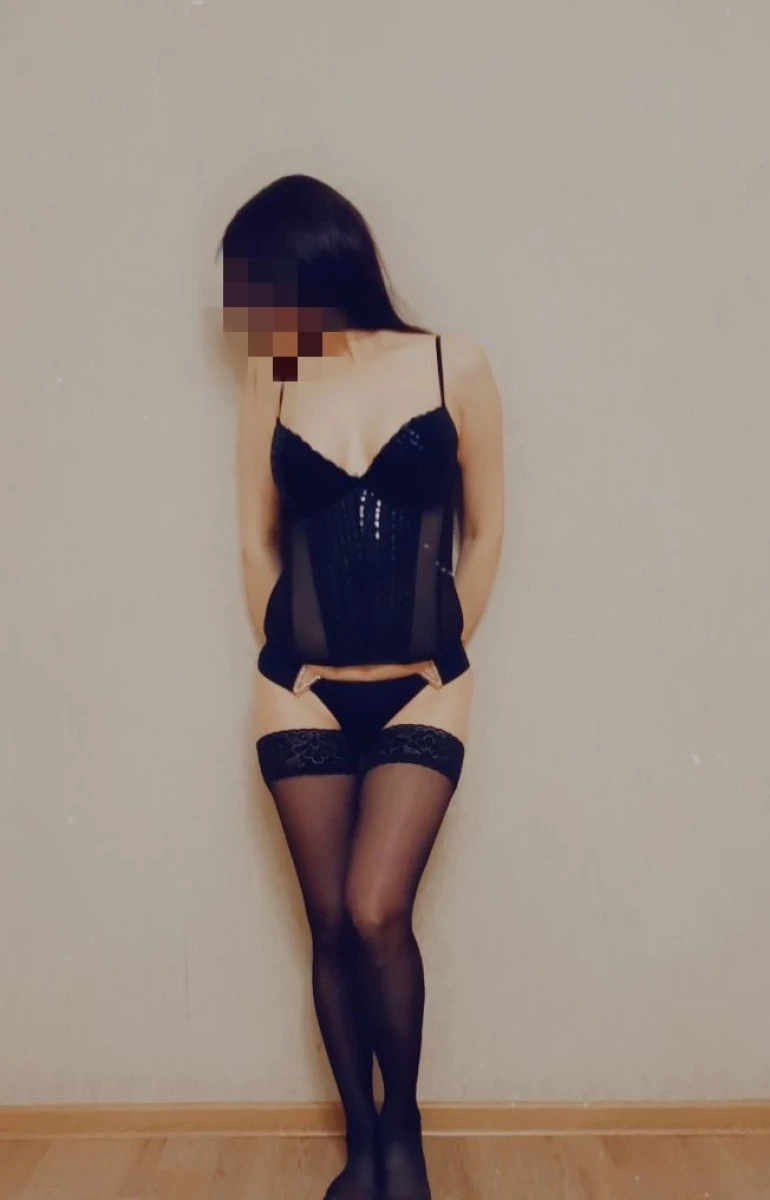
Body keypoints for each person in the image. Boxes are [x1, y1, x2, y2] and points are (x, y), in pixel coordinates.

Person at [220, 174, 504, 1200]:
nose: (242, 310)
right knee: (330, 923)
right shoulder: (274, 379)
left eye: (250, 282)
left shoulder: (451, 363)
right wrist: (285, 655)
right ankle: (363, 1148)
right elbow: (255, 540)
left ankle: (404, 1135)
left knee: (376, 908)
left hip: (424, 687)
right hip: (298, 689)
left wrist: (443, 647)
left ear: (309, 263)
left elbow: (487, 530)